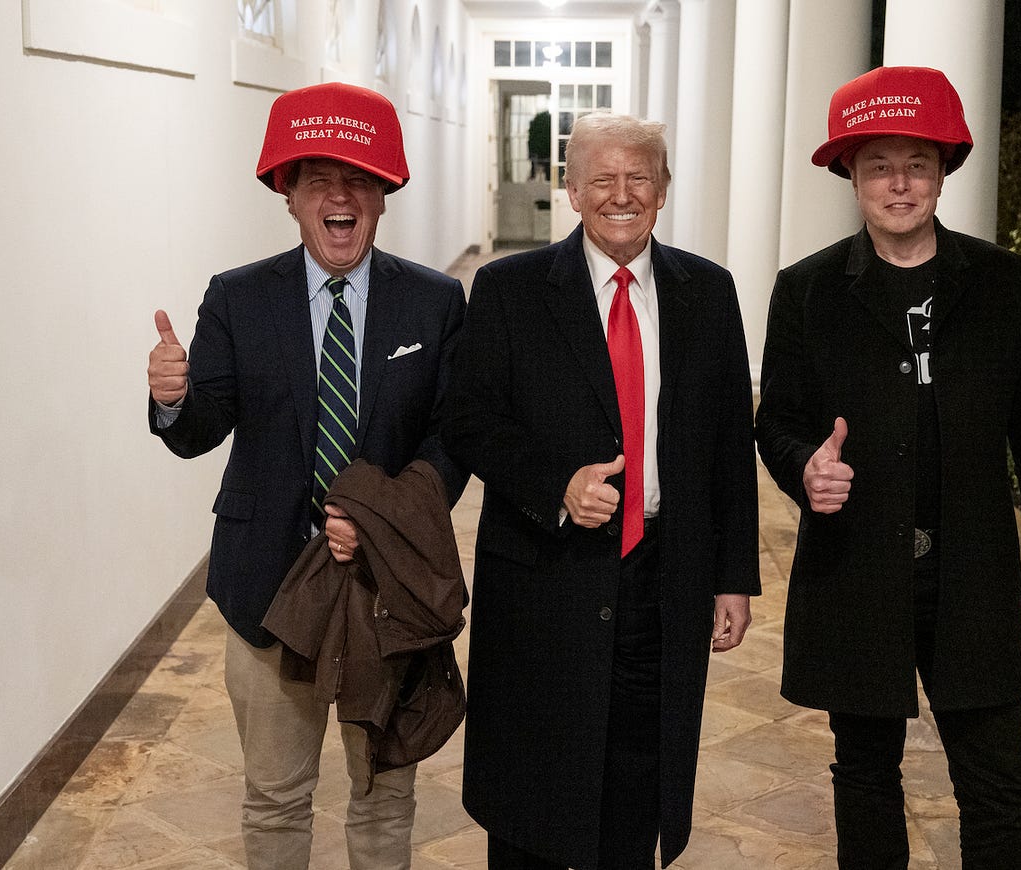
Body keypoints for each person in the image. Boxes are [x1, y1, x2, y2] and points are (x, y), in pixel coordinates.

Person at [754, 66, 1021, 868]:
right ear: (851, 175)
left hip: (974, 572)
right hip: (857, 568)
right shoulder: (807, 291)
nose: (899, 185)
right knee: (865, 773)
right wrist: (804, 470)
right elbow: (778, 423)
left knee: (998, 784)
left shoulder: (1002, 282)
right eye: (879, 167)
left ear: (943, 171)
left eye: (917, 165)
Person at [145, 81, 467, 870]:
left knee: (384, 800)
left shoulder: (434, 302)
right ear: (288, 196)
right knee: (276, 800)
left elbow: (453, 438)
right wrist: (174, 399)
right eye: (318, 179)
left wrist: (381, 519)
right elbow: (201, 430)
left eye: (359, 179)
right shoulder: (238, 298)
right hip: (265, 589)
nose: (340, 196)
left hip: (386, 594)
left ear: (383, 196)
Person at [441, 112, 759, 869]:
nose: (623, 194)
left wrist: (732, 578)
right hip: (544, 575)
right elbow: (470, 421)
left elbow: (728, 446)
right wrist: (557, 486)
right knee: (532, 796)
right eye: (603, 179)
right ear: (573, 191)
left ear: (663, 188)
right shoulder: (510, 289)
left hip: (662, 579)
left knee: (635, 790)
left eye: (639, 177)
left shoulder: (708, 293)